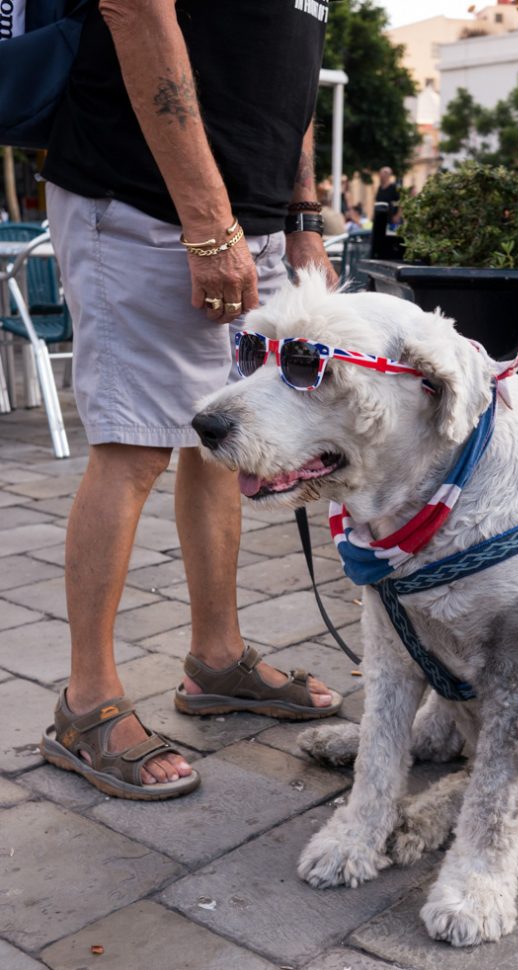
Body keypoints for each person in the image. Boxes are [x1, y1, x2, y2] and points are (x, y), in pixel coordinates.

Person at [38, 0, 343, 801]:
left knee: (225, 440)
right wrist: (208, 225)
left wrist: (302, 215)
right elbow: (136, 10)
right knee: (132, 445)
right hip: (142, 199)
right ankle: (86, 703)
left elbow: (294, 61)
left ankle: (216, 660)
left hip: (259, 220)